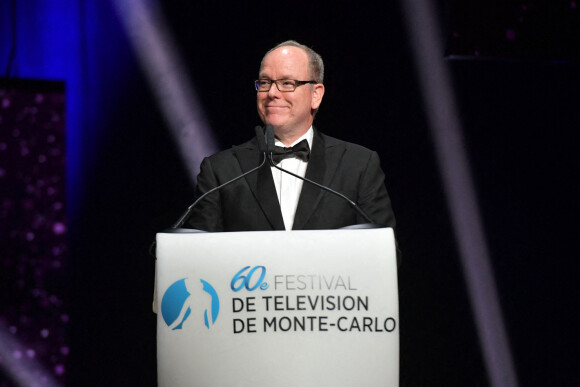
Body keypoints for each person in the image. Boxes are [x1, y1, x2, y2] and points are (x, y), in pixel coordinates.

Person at [185, 40, 396, 234]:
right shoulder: (221, 171)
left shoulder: (358, 165)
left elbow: (384, 254)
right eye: (265, 82)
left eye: (287, 83)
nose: (272, 93)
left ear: (316, 95)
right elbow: (199, 260)